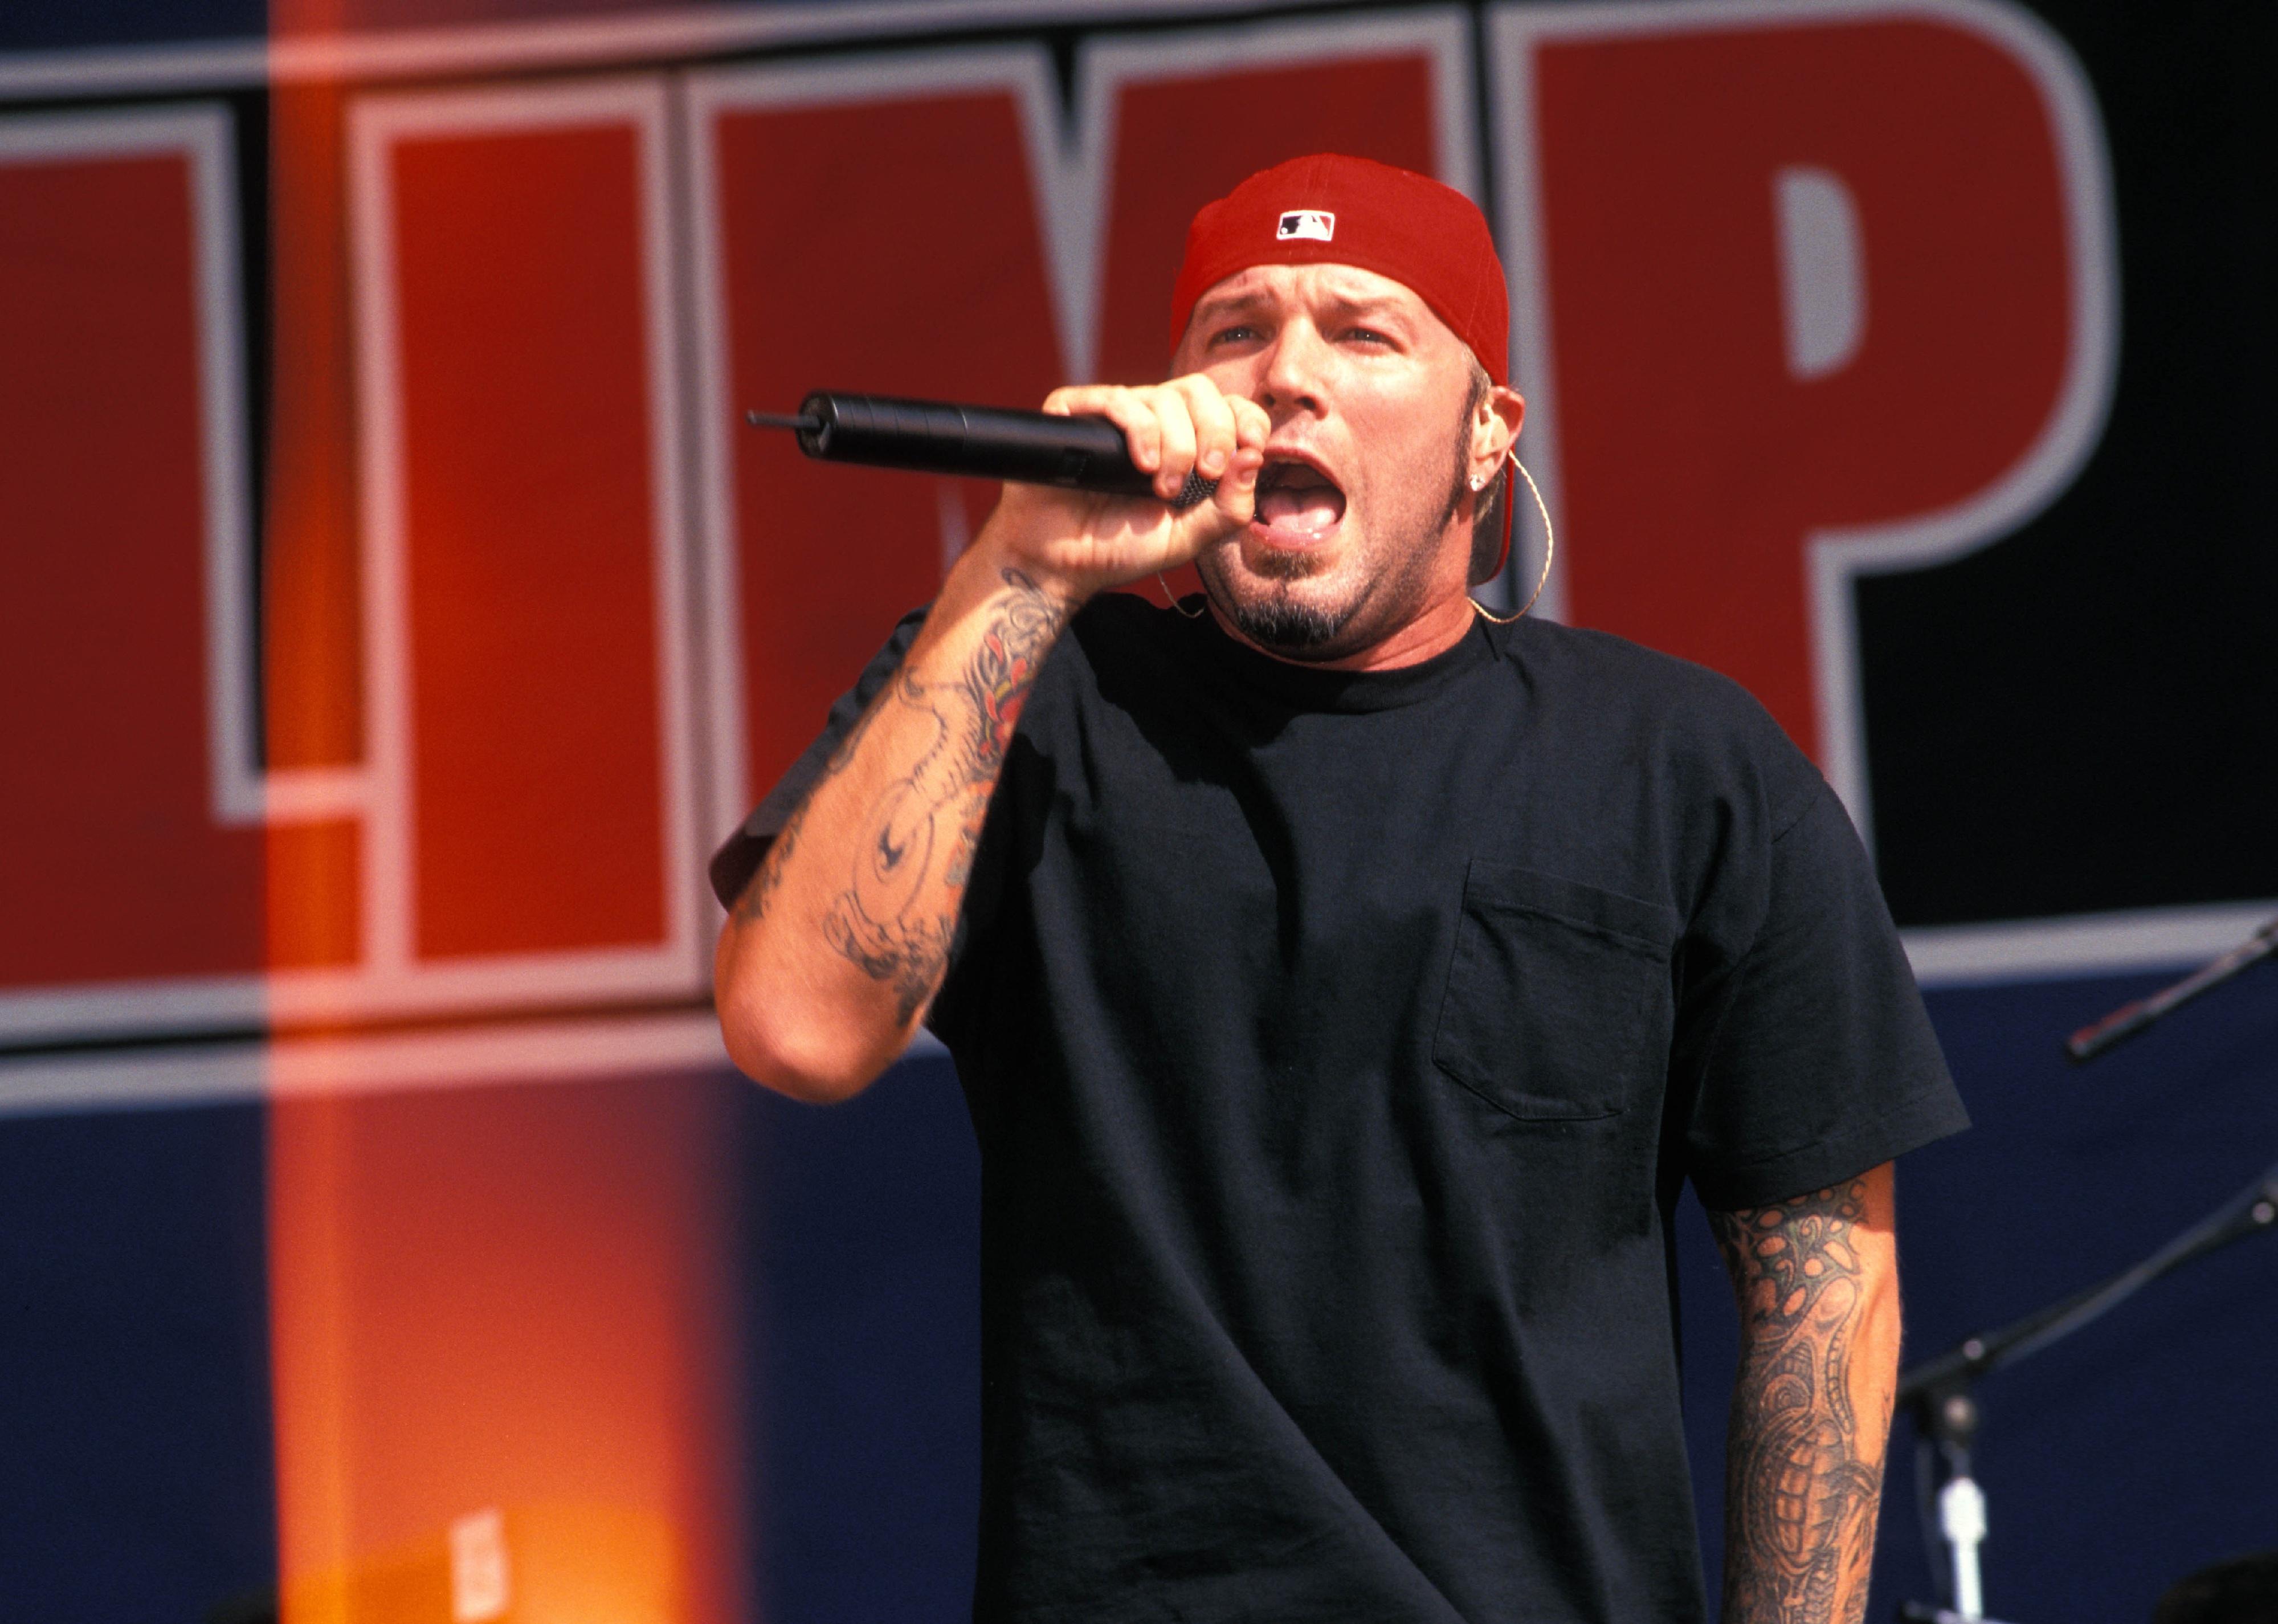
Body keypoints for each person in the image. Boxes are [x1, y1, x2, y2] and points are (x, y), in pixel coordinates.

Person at [711, 153, 1968, 1623]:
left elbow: (1825, 1294)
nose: (1285, 373)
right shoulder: (1037, 694)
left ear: (1488, 436)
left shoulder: (1678, 762)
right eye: (1233, 332)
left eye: (1361, 332)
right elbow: (792, 1023)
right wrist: (1020, 566)